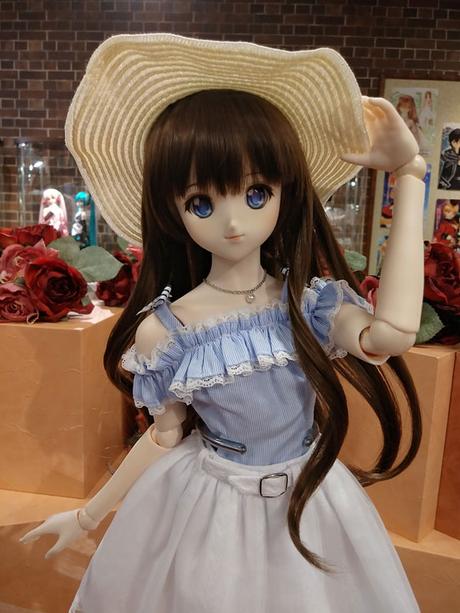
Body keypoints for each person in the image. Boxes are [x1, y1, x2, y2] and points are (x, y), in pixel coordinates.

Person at [21, 34, 426, 612]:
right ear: (172, 209)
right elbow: (164, 437)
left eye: (257, 193)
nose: (233, 223)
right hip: (212, 509)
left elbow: (392, 335)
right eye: (202, 203)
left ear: (285, 191)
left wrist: (410, 175)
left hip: (311, 502)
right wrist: (89, 515)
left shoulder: (308, 305)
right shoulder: (168, 331)